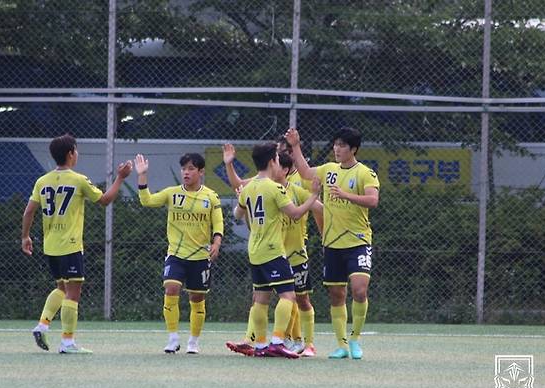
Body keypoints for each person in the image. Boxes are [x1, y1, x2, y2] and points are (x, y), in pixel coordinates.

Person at [22, 134, 132, 354]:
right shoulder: (78, 179)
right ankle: (67, 342)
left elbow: (29, 211)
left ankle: (42, 325)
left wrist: (25, 236)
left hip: (50, 244)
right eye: (76, 150)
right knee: (73, 292)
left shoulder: (42, 181)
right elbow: (105, 200)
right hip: (70, 245)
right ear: (71, 153)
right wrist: (120, 178)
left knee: (61, 287)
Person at [287, 127, 379, 360]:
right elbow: (306, 172)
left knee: (359, 290)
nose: (337, 149)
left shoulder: (365, 173)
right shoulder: (328, 170)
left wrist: (346, 195)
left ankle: (356, 339)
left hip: (358, 241)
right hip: (333, 244)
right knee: (336, 294)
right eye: (335, 145)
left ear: (354, 149)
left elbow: (373, 200)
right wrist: (296, 146)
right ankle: (342, 345)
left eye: (342, 146)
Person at [222, 140, 323, 353]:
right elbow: (295, 214)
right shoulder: (276, 188)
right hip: (273, 250)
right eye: (277, 158)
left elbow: (237, 215)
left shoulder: (249, 188)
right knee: (288, 296)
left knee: (260, 298)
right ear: (272, 161)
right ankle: (277, 342)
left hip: (255, 251)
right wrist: (313, 195)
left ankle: (259, 344)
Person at [134, 153, 223, 354]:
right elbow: (147, 200)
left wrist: (216, 242)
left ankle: (193, 341)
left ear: (201, 172)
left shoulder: (211, 196)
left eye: (191, 168)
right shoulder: (172, 193)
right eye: (184, 168)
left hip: (200, 256)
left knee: (197, 299)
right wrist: (142, 176)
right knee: (171, 289)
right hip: (176, 254)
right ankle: (173, 338)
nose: (186, 172)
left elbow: (218, 223)